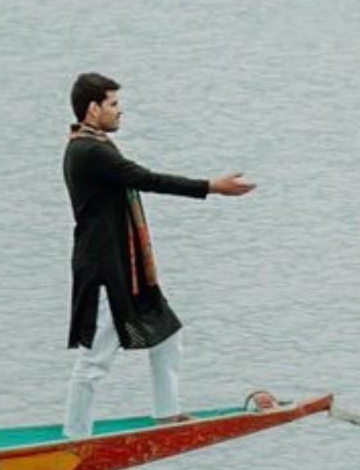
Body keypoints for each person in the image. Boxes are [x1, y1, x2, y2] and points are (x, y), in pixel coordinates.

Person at [63, 72, 255, 436]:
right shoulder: (89, 151)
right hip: (104, 268)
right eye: (114, 104)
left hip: (126, 266)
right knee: (93, 362)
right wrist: (212, 187)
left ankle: (167, 413)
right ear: (93, 109)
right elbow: (147, 179)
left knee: (167, 335)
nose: (120, 112)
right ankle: (74, 439)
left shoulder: (95, 144)